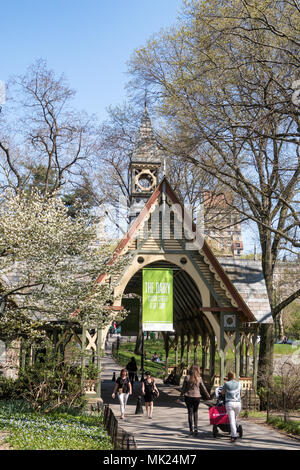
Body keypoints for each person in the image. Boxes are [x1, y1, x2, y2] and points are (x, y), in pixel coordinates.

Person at [178, 365, 210, 436]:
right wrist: (207, 395)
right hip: (197, 397)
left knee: (190, 413)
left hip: (188, 396)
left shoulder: (187, 377)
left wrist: (180, 396)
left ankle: (191, 430)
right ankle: (196, 428)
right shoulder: (199, 378)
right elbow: (203, 388)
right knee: (195, 412)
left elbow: (183, 389)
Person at [222, 371, 242, 442]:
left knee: (232, 420)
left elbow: (223, 392)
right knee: (235, 419)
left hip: (230, 403)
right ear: (234, 376)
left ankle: (234, 436)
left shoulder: (226, 384)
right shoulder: (239, 384)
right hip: (238, 404)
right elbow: (240, 394)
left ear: (228, 376)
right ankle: (234, 431)